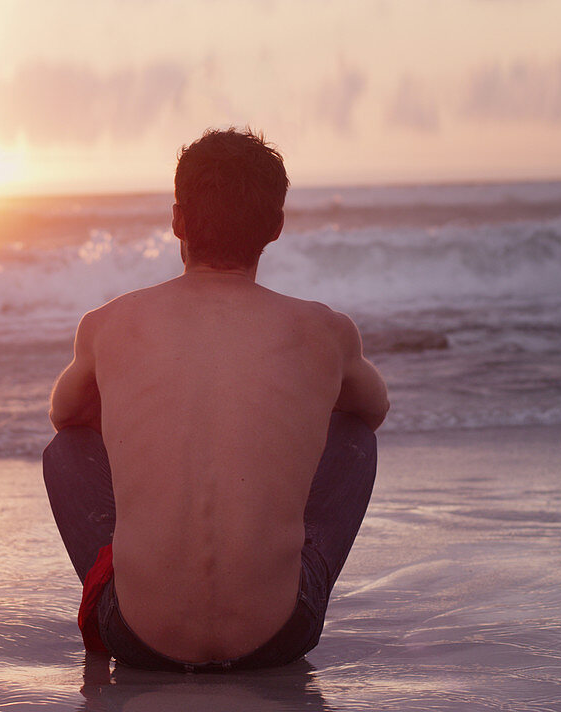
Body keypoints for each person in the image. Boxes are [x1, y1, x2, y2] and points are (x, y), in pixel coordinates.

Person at [43, 127, 389, 672]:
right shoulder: (324, 330)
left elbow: (64, 417)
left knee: (65, 452)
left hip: (137, 639)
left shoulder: (107, 324)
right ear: (275, 227)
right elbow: (372, 412)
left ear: (177, 220)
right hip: (278, 639)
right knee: (354, 439)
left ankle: (132, 594)